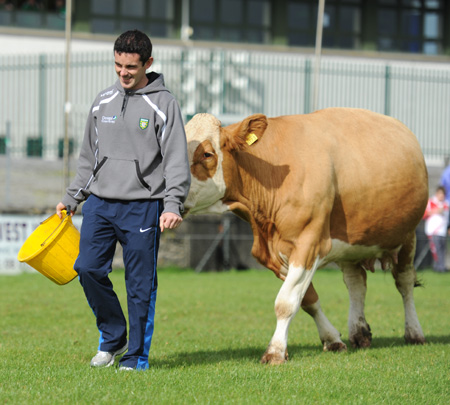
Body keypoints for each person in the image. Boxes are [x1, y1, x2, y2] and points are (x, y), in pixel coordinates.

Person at [56, 30, 191, 370]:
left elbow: (176, 159)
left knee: (139, 284)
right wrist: (73, 197)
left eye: (130, 67)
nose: (123, 73)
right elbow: (88, 156)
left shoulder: (164, 104)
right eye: (118, 65)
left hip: (143, 206)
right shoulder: (102, 101)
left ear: (148, 63)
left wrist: (172, 204)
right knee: (86, 268)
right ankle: (112, 337)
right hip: (99, 204)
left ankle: (135, 356)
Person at [423, 186, 449, 273]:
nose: (441, 196)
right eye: (440, 194)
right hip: (433, 230)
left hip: (443, 231)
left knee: (442, 250)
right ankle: (437, 267)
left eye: (443, 194)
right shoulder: (430, 202)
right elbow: (424, 214)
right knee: (436, 249)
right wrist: (437, 211)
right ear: (437, 193)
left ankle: (441, 266)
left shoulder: (446, 204)